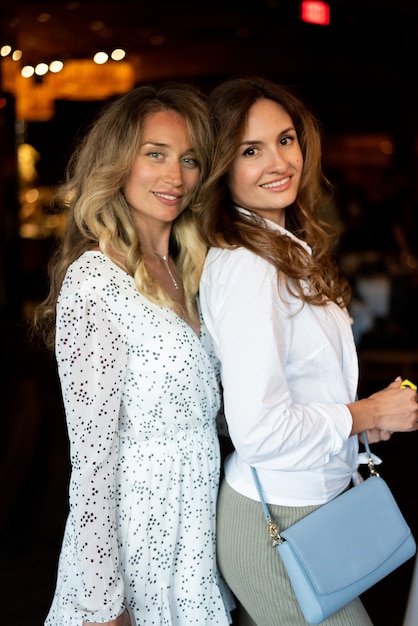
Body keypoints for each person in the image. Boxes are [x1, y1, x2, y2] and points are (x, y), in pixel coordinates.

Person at [196, 76, 418, 626]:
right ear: (222, 166)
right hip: (275, 523)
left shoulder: (281, 248)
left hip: (309, 508)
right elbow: (259, 429)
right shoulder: (251, 267)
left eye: (286, 139)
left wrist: (357, 424)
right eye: (251, 150)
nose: (279, 161)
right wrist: (364, 413)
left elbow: (295, 388)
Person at [33, 82, 234, 626]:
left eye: (189, 160)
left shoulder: (193, 273)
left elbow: (210, 416)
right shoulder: (95, 282)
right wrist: (104, 601)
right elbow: (92, 461)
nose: (176, 177)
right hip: (133, 544)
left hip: (194, 539)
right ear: (119, 163)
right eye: (156, 154)